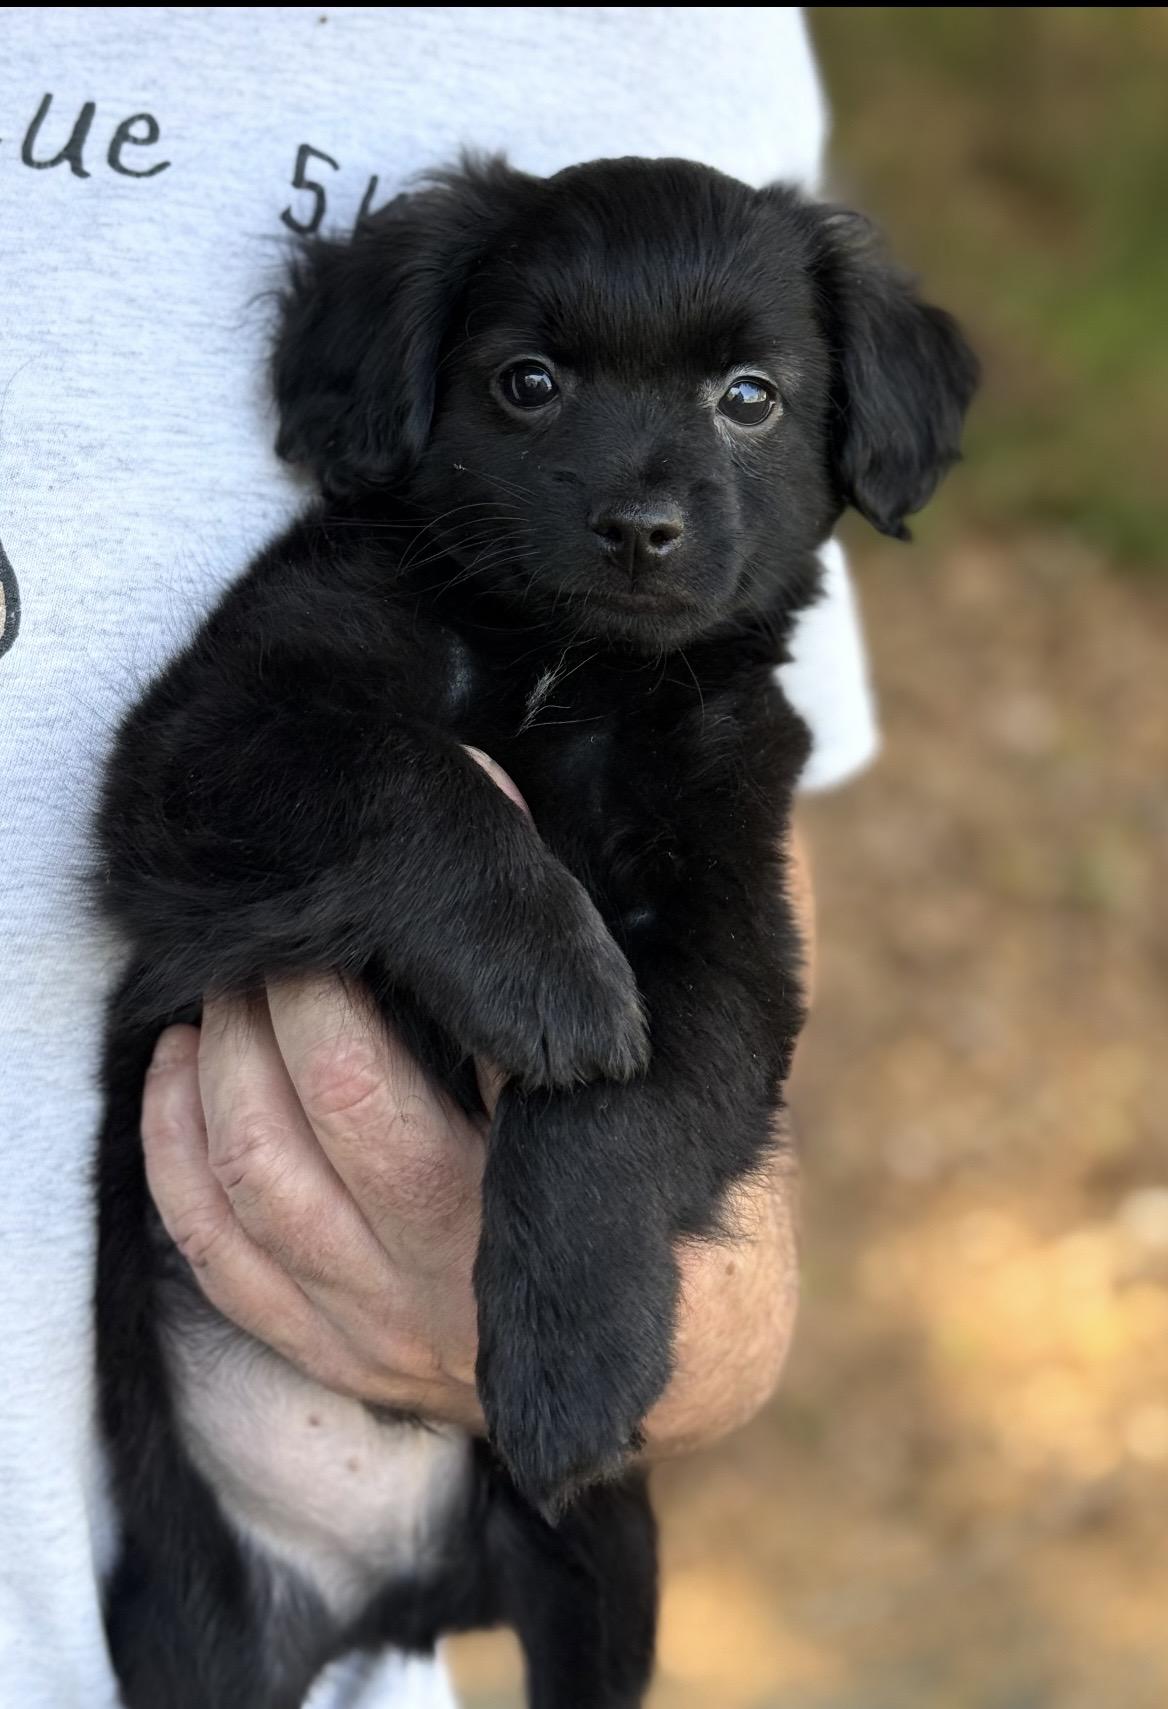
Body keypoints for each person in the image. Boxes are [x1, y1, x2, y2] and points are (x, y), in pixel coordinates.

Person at [0, 9, 876, 1706]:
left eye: (744, 399)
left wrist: (647, 1250)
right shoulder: (365, 592)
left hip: (501, 1455)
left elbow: (732, 993)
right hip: (188, 1515)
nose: (646, 499)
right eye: (534, 387)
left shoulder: (686, 40)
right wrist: (471, 883)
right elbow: (185, 802)